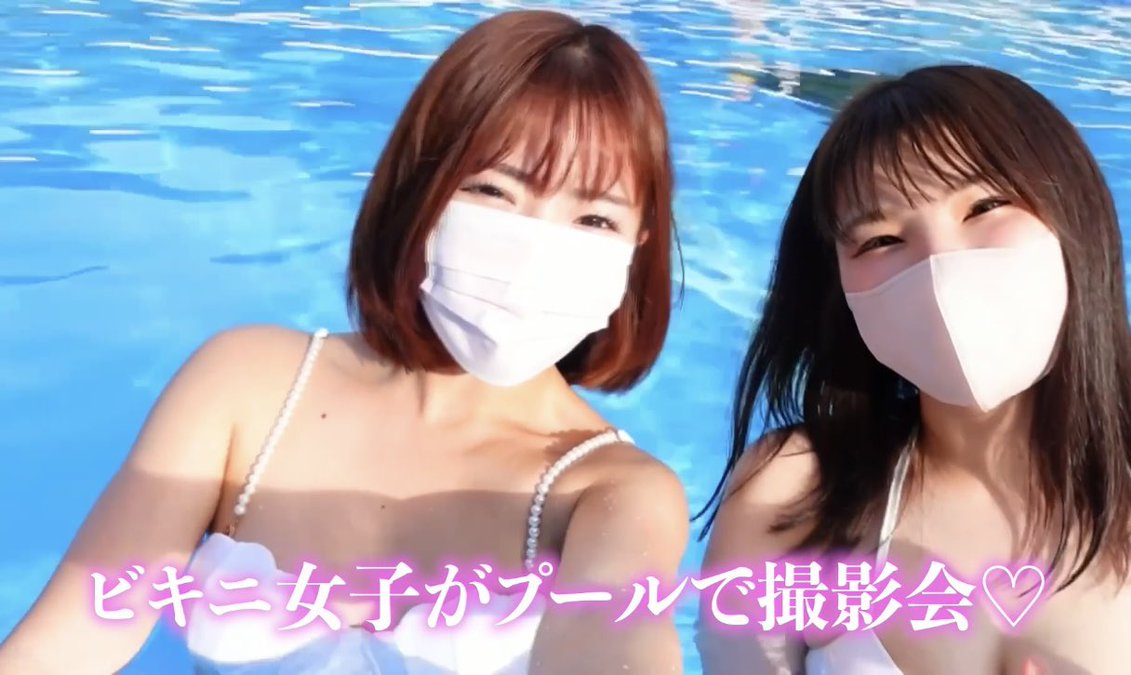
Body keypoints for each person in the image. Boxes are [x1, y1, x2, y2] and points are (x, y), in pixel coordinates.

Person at [0, 10, 688, 675]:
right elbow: (57, 651)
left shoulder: (614, 495)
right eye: (493, 190)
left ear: (639, 244)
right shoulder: (245, 388)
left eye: (594, 219)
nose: (535, 247)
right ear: (420, 188)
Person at [696, 64, 1131, 674]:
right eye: (881, 240)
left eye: (985, 205)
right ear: (838, 290)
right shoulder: (791, 496)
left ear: (1077, 217)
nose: (941, 264)